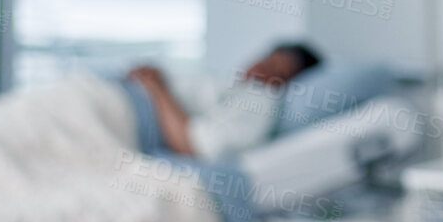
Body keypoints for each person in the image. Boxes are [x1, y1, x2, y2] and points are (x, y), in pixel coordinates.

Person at [123, 42, 324, 161]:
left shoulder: (262, 101)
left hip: (130, 111)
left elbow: (194, 147)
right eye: (267, 61)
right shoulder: (230, 86)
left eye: (279, 73)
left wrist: (157, 87)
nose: (262, 70)